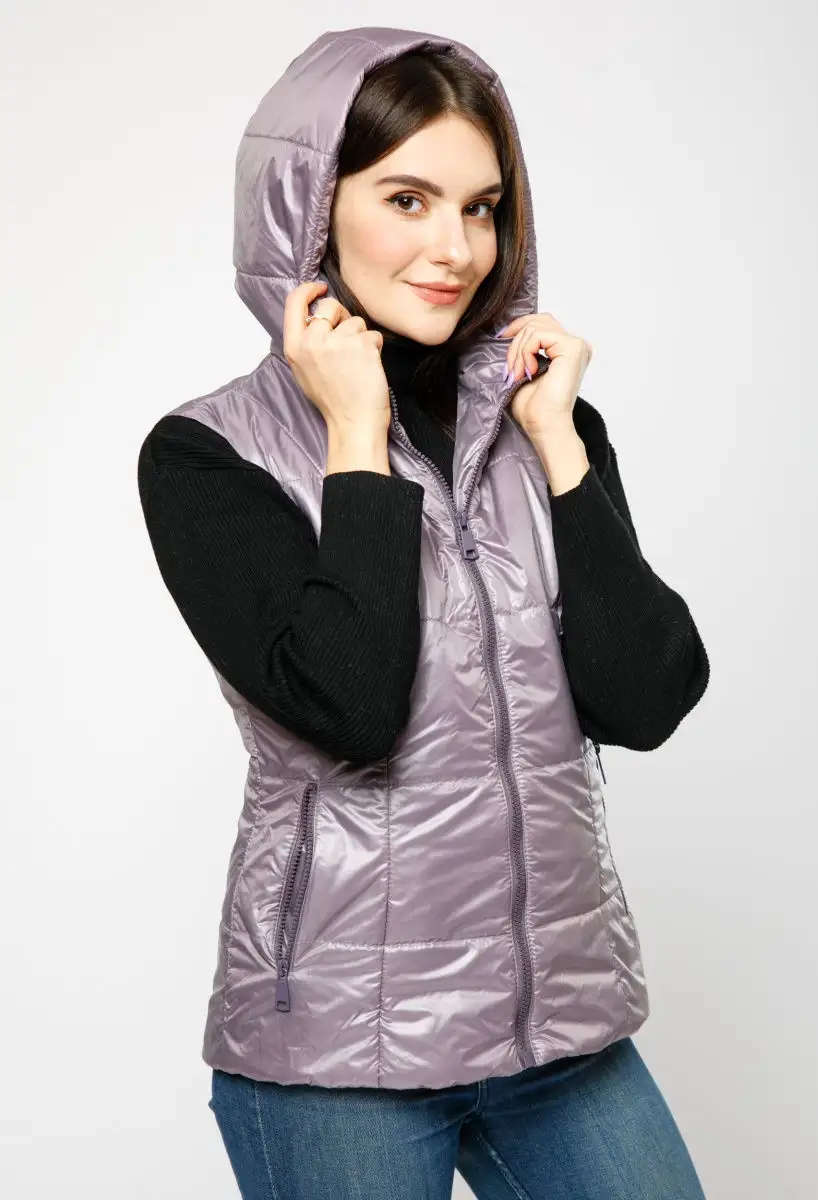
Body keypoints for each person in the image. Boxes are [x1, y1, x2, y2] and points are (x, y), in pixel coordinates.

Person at [137, 27, 710, 1199]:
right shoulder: (207, 455)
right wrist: (357, 434)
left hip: (561, 1032)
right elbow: (348, 705)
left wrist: (560, 448)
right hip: (336, 1051)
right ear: (311, 208)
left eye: (482, 208)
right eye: (408, 199)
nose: (455, 249)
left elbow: (646, 697)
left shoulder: (549, 425)